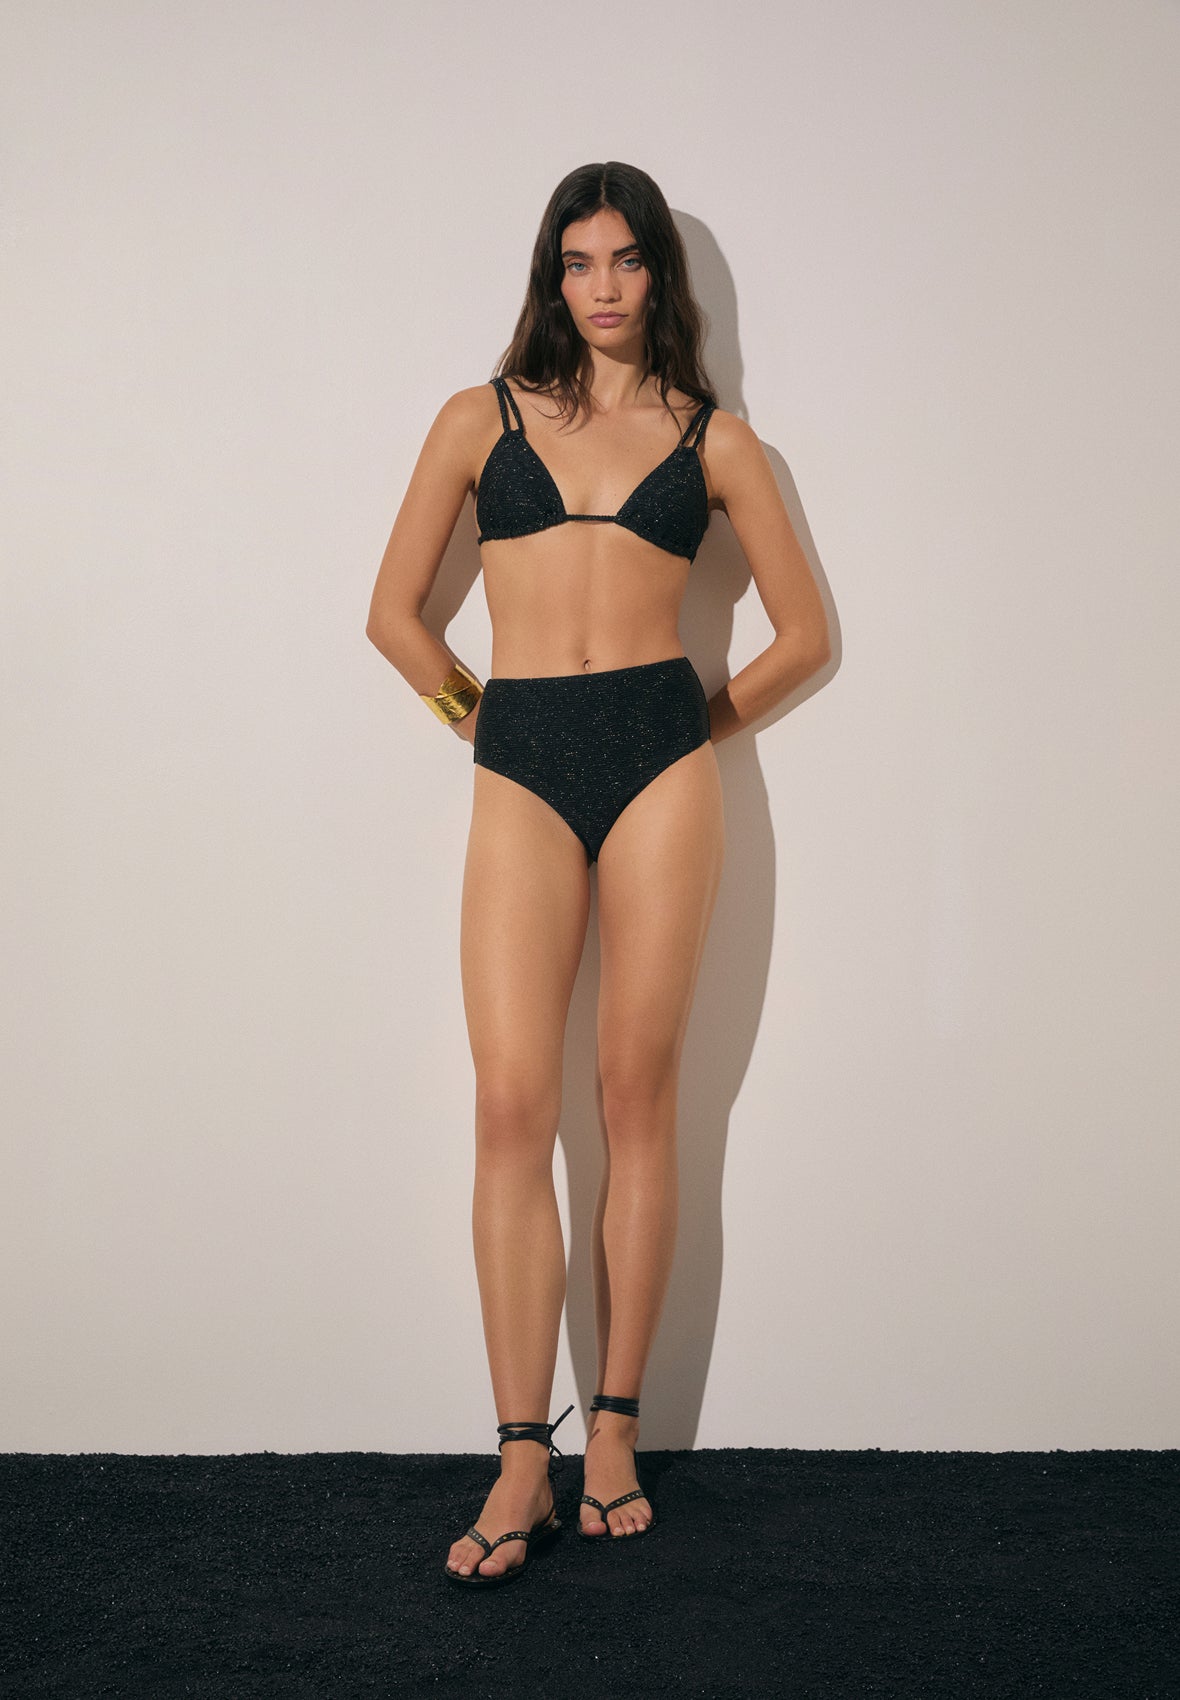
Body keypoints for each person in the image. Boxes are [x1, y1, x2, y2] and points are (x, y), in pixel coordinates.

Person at [365, 161, 831, 1587]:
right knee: (512, 1106)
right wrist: (478, 718)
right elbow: (392, 616)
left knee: (638, 1098)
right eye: (580, 262)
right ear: (550, 277)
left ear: (658, 279)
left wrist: (692, 728)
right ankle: (524, 1453)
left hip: (660, 768)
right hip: (521, 761)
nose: (605, 286)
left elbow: (805, 637)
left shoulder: (718, 441)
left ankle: (613, 1430)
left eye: (627, 260)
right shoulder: (478, 418)